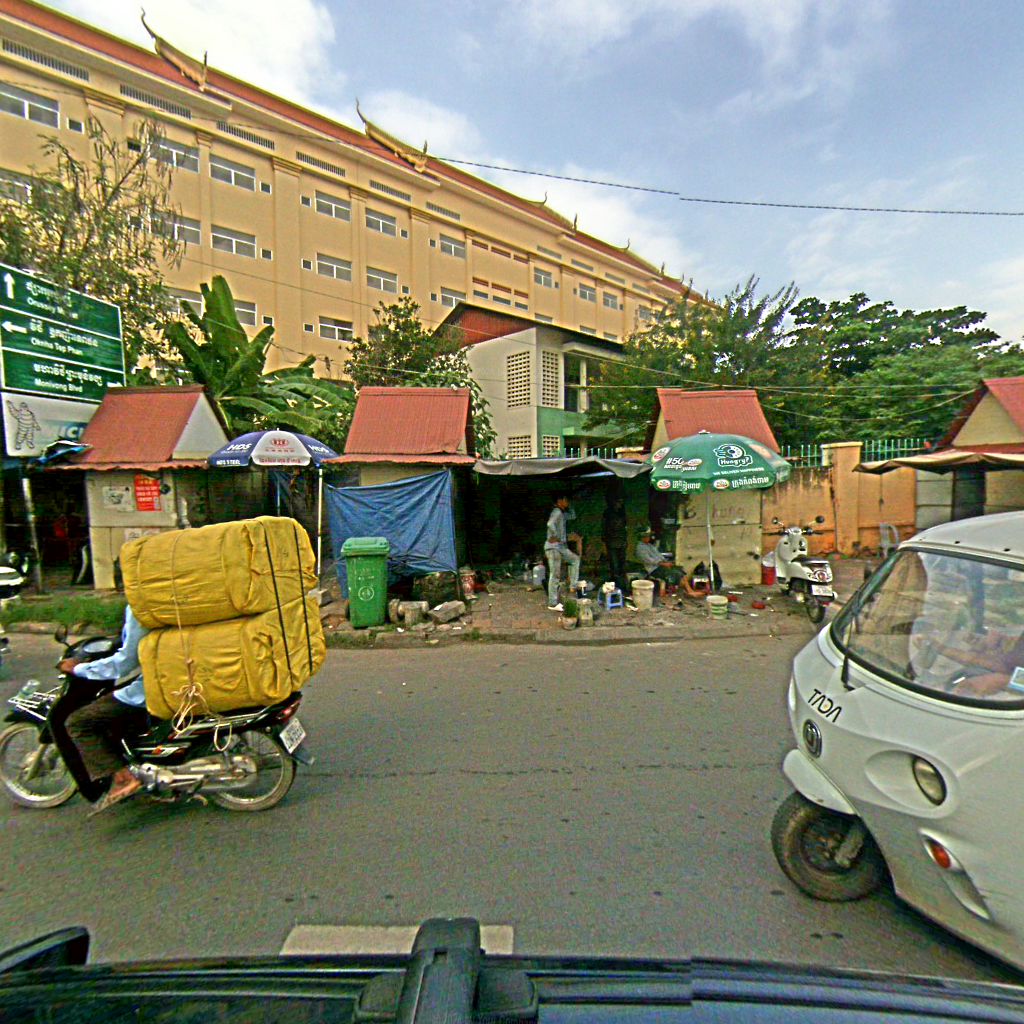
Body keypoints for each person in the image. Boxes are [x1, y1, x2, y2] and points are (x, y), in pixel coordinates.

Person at [62, 606, 150, 813]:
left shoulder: (143, 604)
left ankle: (122, 778)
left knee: (78, 722)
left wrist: (79, 668)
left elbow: (126, 661)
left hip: (156, 688)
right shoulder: (197, 598)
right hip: (205, 677)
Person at [544, 495, 581, 611]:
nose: (567, 502)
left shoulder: (562, 513)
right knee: (555, 575)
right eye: (565, 500)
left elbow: (573, 516)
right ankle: (552, 603)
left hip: (560, 547)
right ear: (559, 501)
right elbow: (550, 524)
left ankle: (573, 587)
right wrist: (556, 536)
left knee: (574, 559)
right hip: (554, 547)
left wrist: (571, 506)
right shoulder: (557, 512)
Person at [635, 527, 678, 601]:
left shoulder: (649, 545)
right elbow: (648, 560)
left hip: (660, 565)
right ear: (642, 537)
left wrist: (665, 561)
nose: (649, 538)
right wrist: (663, 564)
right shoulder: (640, 548)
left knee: (678, 570)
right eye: (647, 536)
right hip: (652, 569)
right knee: (671, 573)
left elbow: (659, 555)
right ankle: (664, 595)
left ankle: (687, 590)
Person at [602, 490, 627, 591]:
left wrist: (625, 540)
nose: (619, 504)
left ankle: (621, 585)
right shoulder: (608, 513)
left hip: (621, 541)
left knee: (621, 565)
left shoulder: (622, 512)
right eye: (618, 502)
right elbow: (604, 528)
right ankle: (616, 585)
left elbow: (624, 527)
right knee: (615, 565)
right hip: (612, 541)